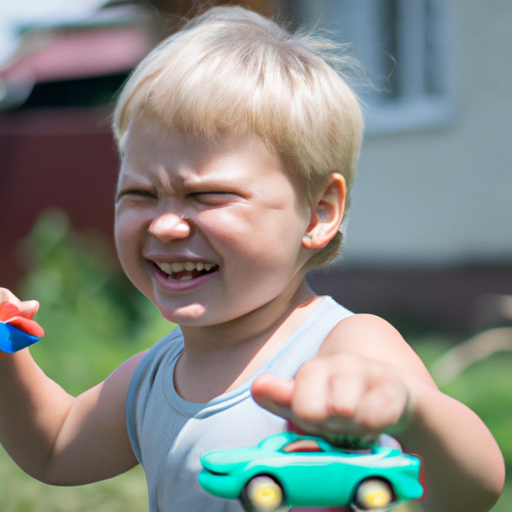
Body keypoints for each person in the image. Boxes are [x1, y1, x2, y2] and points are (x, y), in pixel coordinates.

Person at [0, 6, 504, 512]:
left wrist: (411, 409)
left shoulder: (343, 348)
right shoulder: (153, 374)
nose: (165, 224)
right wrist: (6, 355)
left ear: (319, 214)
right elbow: (55, 448)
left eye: (207, 195)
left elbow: (473, 490)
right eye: (140, 194)